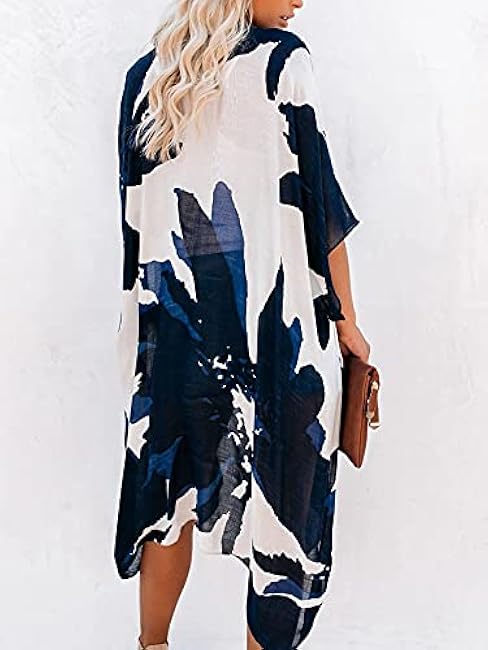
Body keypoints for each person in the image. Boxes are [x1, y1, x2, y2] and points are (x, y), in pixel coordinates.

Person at [114, 0, 371, 648]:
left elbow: (135, 218)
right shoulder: (284, 64)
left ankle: (151, 644)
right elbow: (320, 207)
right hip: (274, 330)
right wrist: (348, 323)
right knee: (282, 508)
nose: (300, 1)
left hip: (172, 329)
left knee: (169, 496)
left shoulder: (148, 78)